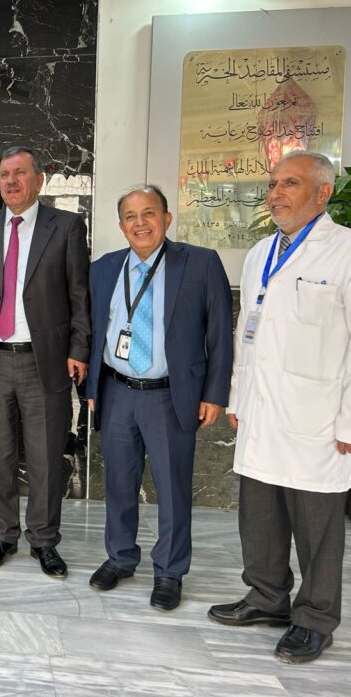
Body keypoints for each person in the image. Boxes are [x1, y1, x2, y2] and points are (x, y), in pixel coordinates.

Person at [209, 150, 351, 664]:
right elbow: (246, 334)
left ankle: (315, 619)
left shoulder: (345, 250)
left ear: (323, 193)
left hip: (319, 416)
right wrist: (238, 397)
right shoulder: (259, 253)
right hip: (260, 411)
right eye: (273, 184)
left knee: (317, 527)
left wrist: (349, 421)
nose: (275, 193)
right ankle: (267, 597)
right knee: (260, 517)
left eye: (289, 183)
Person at [87, 186, 232, 610]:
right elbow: (93, 331)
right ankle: (120, 557)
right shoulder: (104, 268)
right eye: (130, 216)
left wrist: (215, 393)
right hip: (117, 391)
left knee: (172, 487)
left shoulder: (200, 263)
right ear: (121, 226)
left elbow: (220, 333)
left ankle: (169, 570)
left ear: (167, 218)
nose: (140, 223)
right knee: (118, 482)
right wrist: (92, 387)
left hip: (170, 394)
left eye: (149, 213)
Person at [0, 146, 90, 578]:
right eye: (4, 174)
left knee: (45, 456)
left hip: (46, 360)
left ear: (39, 179)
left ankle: (44, 539)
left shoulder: (66, 226)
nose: (10, 181)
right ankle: (2, 535)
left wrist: (79, 349)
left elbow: (80, 294)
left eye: (20, 173)